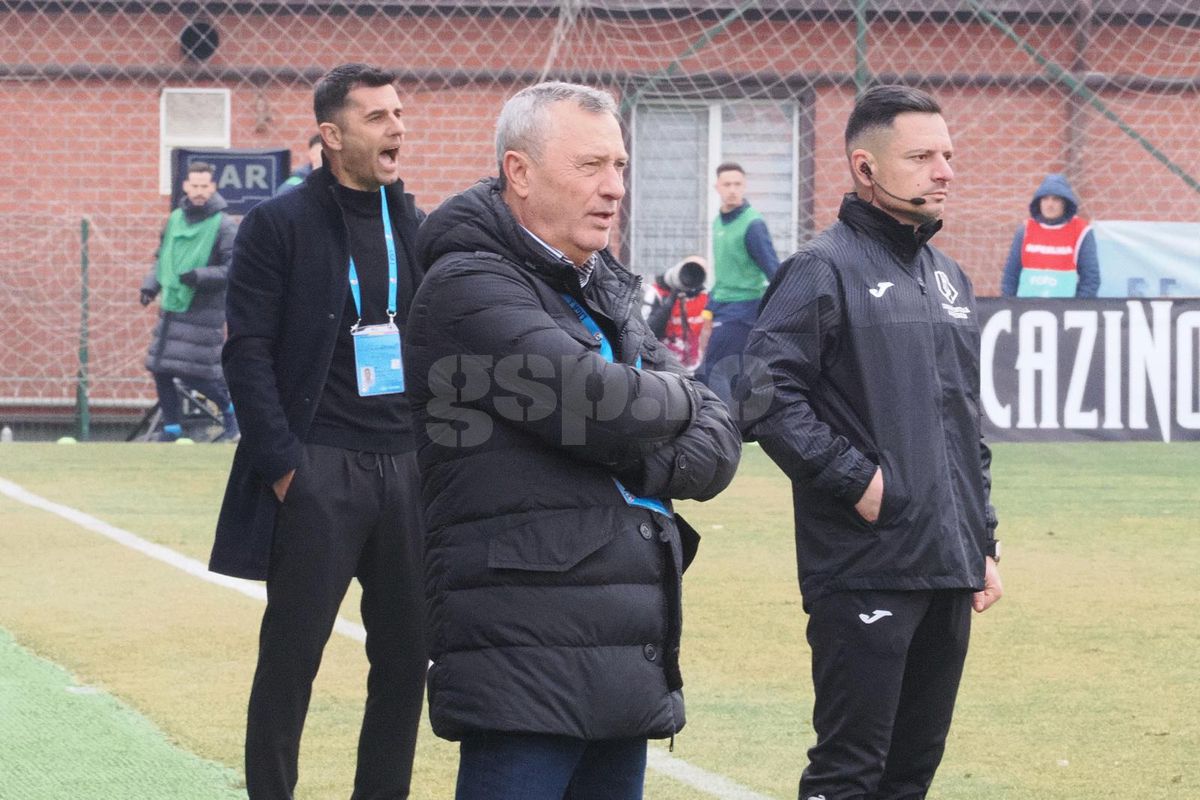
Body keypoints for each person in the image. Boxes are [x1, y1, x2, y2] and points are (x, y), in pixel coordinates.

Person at [403, 81, 741, 800]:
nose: (613, 187)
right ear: (519, 173)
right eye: (590, 166)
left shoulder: (600, 285)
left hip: (624, 646)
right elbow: (599, 404)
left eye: (618, 166)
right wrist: (684, 399)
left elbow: (718, 446)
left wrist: (656, 418)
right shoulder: (467, 287)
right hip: (526, 653)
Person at [738, 85, 1004, 800]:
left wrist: (981, 540)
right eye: (921, 157)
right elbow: (763, 394)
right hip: (865, 566)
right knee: (850, 772)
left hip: (947, 566)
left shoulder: (950, 279)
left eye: (947, 155)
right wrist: (857, 481)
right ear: (865, 167)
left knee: (910, 774)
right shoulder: (821, 268)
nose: (943, 170)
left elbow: (963, 422)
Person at [209, 63, 427, 800]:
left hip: (406, 469)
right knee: (290, 662)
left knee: (405, 663)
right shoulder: (278, 224)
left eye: (399, 114)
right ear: (332, 136)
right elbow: (246, 352)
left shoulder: (413, 223)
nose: (397, 128)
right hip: (319, 469)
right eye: (378, 117)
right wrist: (284, 467)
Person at [139, 160, 240, 443]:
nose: (198, 191)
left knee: (199, 376)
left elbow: (234, 268)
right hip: (172, 307)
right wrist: (150, 286)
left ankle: (233, 418)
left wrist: (199, 276)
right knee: (160, 369)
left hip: (203, 311)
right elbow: (163, 258)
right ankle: (172, 429)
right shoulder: (174, 220)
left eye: (204, 186)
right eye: (194, 185)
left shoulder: (224, 226)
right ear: (185, 186)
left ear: (212, 187)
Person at [693, 161, 780, 405]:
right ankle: (736, 419)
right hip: (721, 305)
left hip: (744, 308)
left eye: (737, 184)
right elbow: (725, 272)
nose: (732, 189)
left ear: (745, 186)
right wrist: (710, 306)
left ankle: (721, 422)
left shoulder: (753, 224)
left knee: (713, 371)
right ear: (717, 187)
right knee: (728, 374)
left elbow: (773, 269)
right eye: (727, 184)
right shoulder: (717, 222)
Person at [1001, 173, 1100, 298]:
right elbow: (1010, 275)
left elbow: (1090, 278)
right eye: (1045, 199)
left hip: (1066, 308)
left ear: (1065, 202)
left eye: (1056, 199)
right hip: (1026, 307)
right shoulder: (1025, 230)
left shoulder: (1082, 231)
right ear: (1039, 202)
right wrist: (1010, 304)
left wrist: (1077, 307)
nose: (1049, 204)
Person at [643, 255, 712, 373]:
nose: (693, 276)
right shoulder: (658, 294)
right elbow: (646, 332)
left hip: (697, 367)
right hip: (664, 366)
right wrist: (670, 302)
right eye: (690, 270)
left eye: (699, 272)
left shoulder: (707, 298)